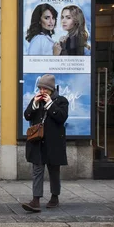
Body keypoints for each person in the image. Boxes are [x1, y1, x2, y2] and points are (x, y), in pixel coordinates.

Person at [22, 74, 69, 212]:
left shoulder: (61, 101)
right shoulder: (36, 100)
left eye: (45, 89)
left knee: (54, 170)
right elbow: (27, 116)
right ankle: (35, 200)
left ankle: (55, 197)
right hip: (38, 142)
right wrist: (35, 104)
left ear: (51, 89)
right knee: (37, 170)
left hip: (54, 143)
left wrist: (50, 104)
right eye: (40, 88)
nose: (42, 91)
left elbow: (61, 117)